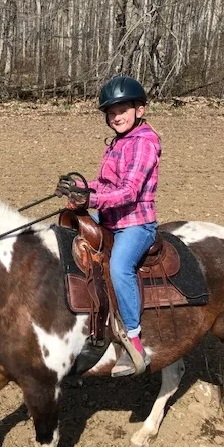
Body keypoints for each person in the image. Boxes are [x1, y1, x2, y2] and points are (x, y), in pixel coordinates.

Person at [56, 75, 161, 376]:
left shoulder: (144, 143)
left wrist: (89, 199)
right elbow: (104, 184)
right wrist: (79, 186)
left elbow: (129, 191)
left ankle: (134, 340)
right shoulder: (118, 143)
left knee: (119, 268)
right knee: (70, 237)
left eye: (122, 110)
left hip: (136, 224)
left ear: (140, 110)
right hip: (111, 217)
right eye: (111, 113)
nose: (116, 117)